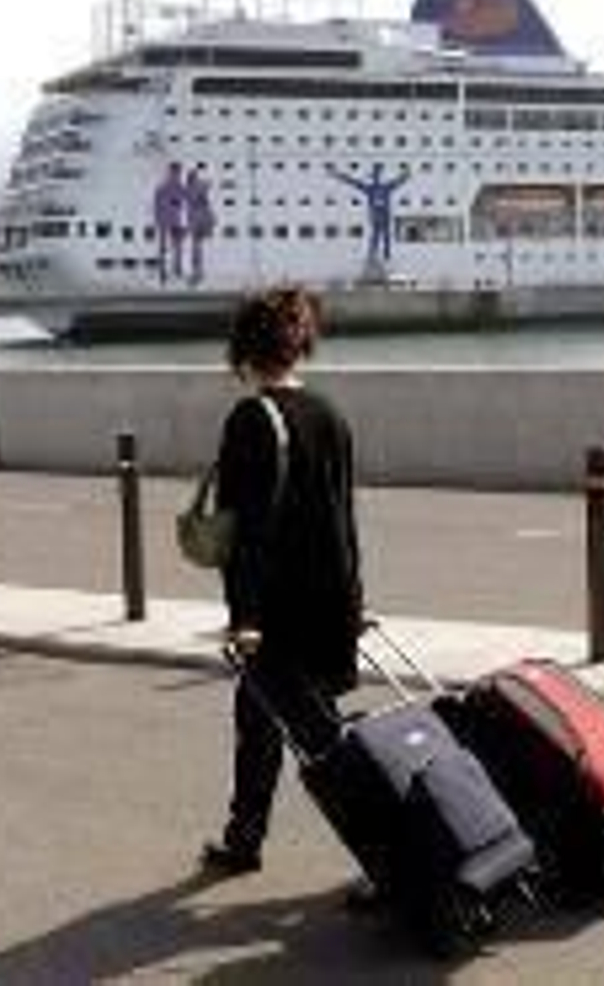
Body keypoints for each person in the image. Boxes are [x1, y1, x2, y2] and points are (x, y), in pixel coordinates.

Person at [200, 286, 365, 875]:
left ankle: (392, 856)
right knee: (259, 718)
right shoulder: (332, 415)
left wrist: (243, 619)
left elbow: (240, 534)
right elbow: (344, 521)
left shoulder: (251, 418)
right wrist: (356, 601)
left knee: (323, 744)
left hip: (280, 613)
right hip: (332, 601)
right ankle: (244, 836)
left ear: (244, 349)